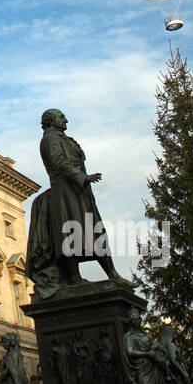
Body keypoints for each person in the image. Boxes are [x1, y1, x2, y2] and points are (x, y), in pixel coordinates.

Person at [25, 108, 138, 298]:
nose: (66, 120)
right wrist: (81, 177)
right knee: (72, 233)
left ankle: (112, 274)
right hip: (65, 193)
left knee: (94, 231)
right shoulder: (50, 139)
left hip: (78, 191)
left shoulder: (62, 138)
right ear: (51, 121)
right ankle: (76, 278)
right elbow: (58, 162)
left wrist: (82, 179)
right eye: (61, 117)